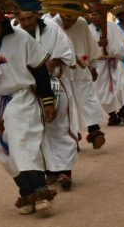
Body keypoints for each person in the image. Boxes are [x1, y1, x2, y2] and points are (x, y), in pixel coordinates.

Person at [0, 1, 57, 214]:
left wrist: (48, 100)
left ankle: (40, 191)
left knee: (23, 142)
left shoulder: (21, 37)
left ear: (3, 23)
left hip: (20, 98)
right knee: (3, 151)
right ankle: (27, 193)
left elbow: (40, 71)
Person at [16, 11, 78, 190]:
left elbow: (68, 54)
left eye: (29, 18)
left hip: (54, 84)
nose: (26, 22)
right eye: (22, 19)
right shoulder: (15, 34)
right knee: (38, 130)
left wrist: (52, 63)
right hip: (28, 90)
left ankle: (65, 170)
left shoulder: (51, 29)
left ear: (36, 15)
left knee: (58, 126)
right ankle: (50, 171)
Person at [51, 12, 107, 148]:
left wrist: (93, 67)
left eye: (72, 19)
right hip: (61, 71)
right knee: (66, 103)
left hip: (81, 68)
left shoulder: (81, 23)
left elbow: (89, 44)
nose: (69, 23)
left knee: (87, 98)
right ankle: (73, 134)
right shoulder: (51, 24)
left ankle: (94, 131)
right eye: (66, 18)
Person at [87, 3, 124, 125]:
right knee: (103, 92)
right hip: (99, 64)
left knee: (122, 86)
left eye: (96, 14)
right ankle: (112, 115)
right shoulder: (88, 30)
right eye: (91, 15)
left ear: (102, 15)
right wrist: (98, 45)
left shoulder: (113, 26)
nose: (93, 17)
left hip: (115, 61)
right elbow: (86, 48)